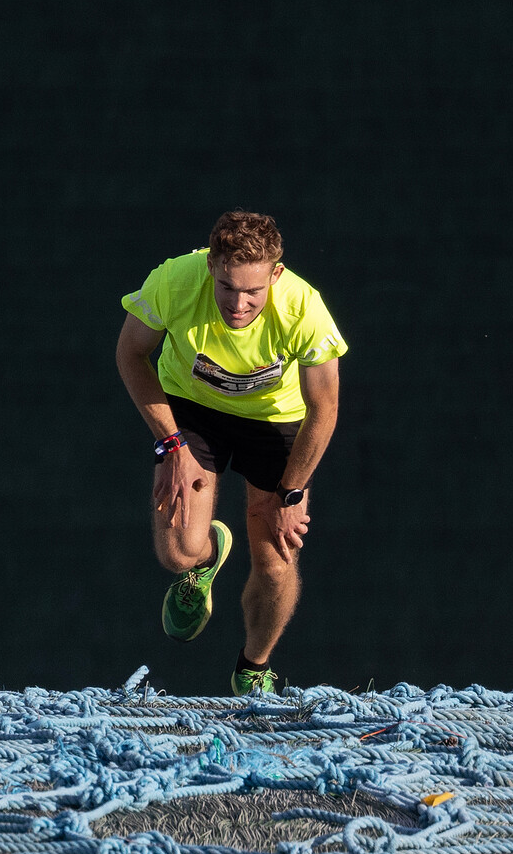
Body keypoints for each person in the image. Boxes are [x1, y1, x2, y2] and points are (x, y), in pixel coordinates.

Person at [115, 211, 347, 695]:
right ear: (210, 267)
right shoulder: (175, 281)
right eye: (226, 287)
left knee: (276, 561)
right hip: (193, 410)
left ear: (275, 275)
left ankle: (253, 668)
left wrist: (291, 493)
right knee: (177, 552)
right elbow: (130, 353)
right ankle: (205, 560)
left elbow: (324, 407)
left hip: (276, 421)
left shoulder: (304, 308)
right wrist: (171, 444)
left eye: (252, 292)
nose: (238, 304)